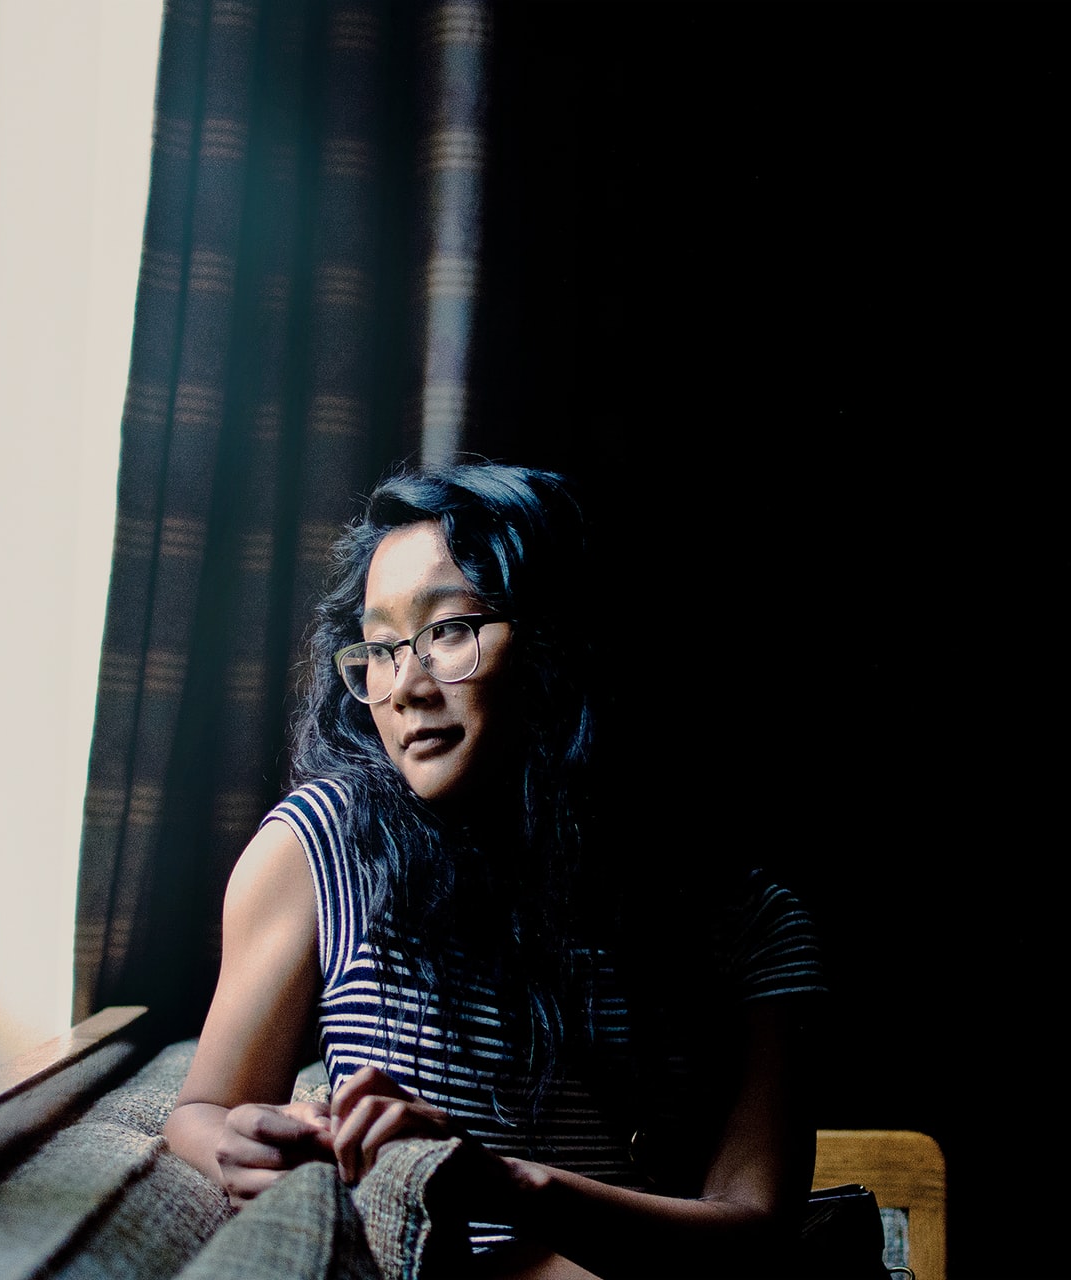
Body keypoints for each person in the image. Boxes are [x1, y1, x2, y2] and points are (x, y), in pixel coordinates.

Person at [165, 465, 826, 1278]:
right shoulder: (319, 851)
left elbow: (753, 1225)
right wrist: (235, 1144)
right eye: (377, 646)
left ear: (559, 642)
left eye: (447, 629)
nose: (403, 685)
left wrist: (504, 1183)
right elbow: (204, 1108)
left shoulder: (748, 919)